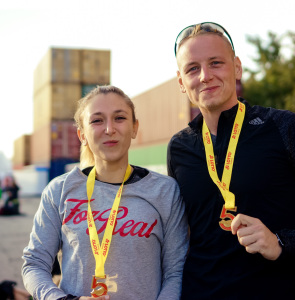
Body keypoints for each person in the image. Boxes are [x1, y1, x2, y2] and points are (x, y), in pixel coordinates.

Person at [167, 22, 295, 299]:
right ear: (181, 82)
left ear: (236, 67)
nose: (205, 76)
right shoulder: (179, 148)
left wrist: (281, 242)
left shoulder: (285, 128)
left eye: (216, 63)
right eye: (192, 68)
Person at [22, 85, 189, 300]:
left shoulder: (165, 191)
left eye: (119, 118)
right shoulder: (59, 190)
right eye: (97, 120)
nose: (109, 129)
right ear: (82, 134)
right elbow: (34, 264)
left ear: (135, 128)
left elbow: (175, 272)